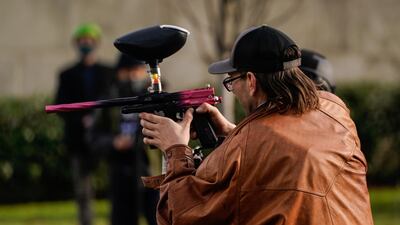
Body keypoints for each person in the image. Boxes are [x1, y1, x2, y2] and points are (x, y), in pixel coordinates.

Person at [139, 25, 374, 224]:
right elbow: (286, 149)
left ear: (251, 81)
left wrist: (176, 149)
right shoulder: (334, 109)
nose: (233, 88)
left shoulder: (244, 147)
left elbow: (180, 213)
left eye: (232, 80)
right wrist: (234, 132)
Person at [87, 54, 158, 225]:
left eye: (137, 70)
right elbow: (93, 136)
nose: (133, 76)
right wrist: (113, 142)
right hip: (120, 174)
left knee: (159, 218)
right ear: (119, 73)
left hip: (152, 173)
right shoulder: (109, 100)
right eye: (127, 71)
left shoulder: (155, 97)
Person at [55, 23, 113, 225]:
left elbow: (113, 103)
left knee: (115, 185)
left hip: (106, 138)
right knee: (82, 189)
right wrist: (80, 119)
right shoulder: (66, 74)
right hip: (78, 140)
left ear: (95, 43)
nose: (85, 44)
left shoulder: (108, 72)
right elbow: (60, 105)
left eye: (89, 40)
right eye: (82, 41)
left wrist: (97, 120)